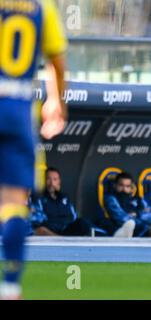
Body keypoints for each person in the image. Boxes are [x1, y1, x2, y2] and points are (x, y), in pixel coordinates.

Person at [0, 0, 68, 299]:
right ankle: (11, 286)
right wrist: (56, 100)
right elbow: (57, 59)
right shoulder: (41, 7)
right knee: (14, 201)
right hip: (17, 106)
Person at [36, 168, 97, 236]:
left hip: (67, 230)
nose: (52, 183)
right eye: (48, 179)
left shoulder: (64, 198)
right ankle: (60, 240)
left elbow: (74, 217)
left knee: (83, 223)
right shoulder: (39, 198)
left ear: (59, 181)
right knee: (41, 230)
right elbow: (39, 220)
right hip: (51, 232)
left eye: (55, 179)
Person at [104, 172, 151, 237]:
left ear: (131, 188)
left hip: (142, 230)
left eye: (127, 186)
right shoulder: (111, 199)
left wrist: (137, 214)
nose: (124, 189)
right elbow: (121, 218)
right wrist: (139, 217)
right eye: (121, 185)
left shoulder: (139, 200)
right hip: (120, 228)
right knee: (129, 224)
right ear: (115, 185)